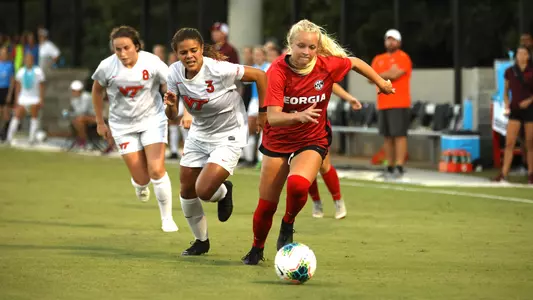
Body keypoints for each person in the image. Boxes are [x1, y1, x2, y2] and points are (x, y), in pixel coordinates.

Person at [241, 19, 394, 265]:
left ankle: (288, 223)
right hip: (278, 139)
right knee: (266, 205)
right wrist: (298, 116)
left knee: (299, 185)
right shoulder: (277, 71)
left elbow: (355, 63)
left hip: (311, 137)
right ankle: (256, 248)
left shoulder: (325, 64)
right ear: (290, 46)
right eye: (301, 46)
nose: (307, 52)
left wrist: (381, 83)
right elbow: (273, 117)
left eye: (312, 47)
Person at [165, 27, 267, 256]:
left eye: (193, 50)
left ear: (202, 49)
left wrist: (263, 112)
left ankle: (223, 191)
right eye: (183, 52)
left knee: (203, 189)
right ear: (177, 54)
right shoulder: (174, 73)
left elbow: (260, 76)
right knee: (186, 189)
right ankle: (201, 241)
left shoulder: (219, 69)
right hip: (200, 133)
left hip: (229, 132)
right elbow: (171, 116)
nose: (189, 56)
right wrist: (171, 105)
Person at [91, 25, 178, 232]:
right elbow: (96, 91)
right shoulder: (106, 67)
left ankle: (167, 219)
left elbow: (172, 82)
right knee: (142, 178)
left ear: (136, 46)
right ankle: (139, 184)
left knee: (156, 169)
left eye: (126, 48)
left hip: (152, 120)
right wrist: (100, 122)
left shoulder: (152, 62)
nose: (122, 53)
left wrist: (172, 100)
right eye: (117, 49)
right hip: (122, 125)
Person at [309, 84, 361, 219]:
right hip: (296, 125)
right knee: (304, 168)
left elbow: (330, 84)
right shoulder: (287, 72)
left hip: (318, 125)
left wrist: (349, 98)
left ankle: (338, 201)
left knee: (324, 165)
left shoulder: (317, 69)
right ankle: (316, 202)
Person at [370, 29, 412, 179]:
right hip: (383, 103)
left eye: (393, 39)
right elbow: (370, 77)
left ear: (399, 42)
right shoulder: (378, 59)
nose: (390, 42)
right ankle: (390, 165)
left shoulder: (403, 57)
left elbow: (396, 74)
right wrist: (386, 74)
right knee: (387, 136)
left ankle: (400, 165)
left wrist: (380, 75)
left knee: (399, 135)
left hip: (399, 102)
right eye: (388, 39)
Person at [493, 46, 533, 184]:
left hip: (529, 109)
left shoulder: (531, 72)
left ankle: (531, 174)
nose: (521, 56)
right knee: (509, 142)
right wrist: (506, 103)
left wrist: (529, 101)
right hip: (515, 109)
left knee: (529, 142)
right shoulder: (510, 71)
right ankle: (503, 174)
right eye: (519, 53)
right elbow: (505, 90)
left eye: (524, 53)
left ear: (528, 56)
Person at [5, 52, 45, 145]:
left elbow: (42, 86)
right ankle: (9, 138)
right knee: (16, 116)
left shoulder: (38, 71)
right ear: (24, 61)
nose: (28, 61)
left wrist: (41, 99)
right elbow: (18, 86)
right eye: (26, 59)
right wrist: (16, 100)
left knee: (34, 117)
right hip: (23, 98)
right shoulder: (21, 71)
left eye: (30, 59)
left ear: (33, 60)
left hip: (34, 98)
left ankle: (31, 139)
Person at [67, 80, 96, 149]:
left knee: (79, 119)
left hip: (94, 117)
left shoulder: (86, 97)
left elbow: (83, 110)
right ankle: (83, 141)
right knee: (77, 122)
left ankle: (83, 141)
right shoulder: (74, 99)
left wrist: (73, 114)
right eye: (73, 90)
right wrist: (69, 114)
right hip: (83, 118)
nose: (73, 92)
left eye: (74, 90)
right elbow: (77, 112)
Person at [0, 46, 14, 139]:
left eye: (4, 53)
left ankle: (5, 132)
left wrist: (10, 93)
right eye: (1, 53)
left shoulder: (10, 65)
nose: (3, 55)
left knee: (6, 112)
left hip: (6, 89)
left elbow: (12, 80)